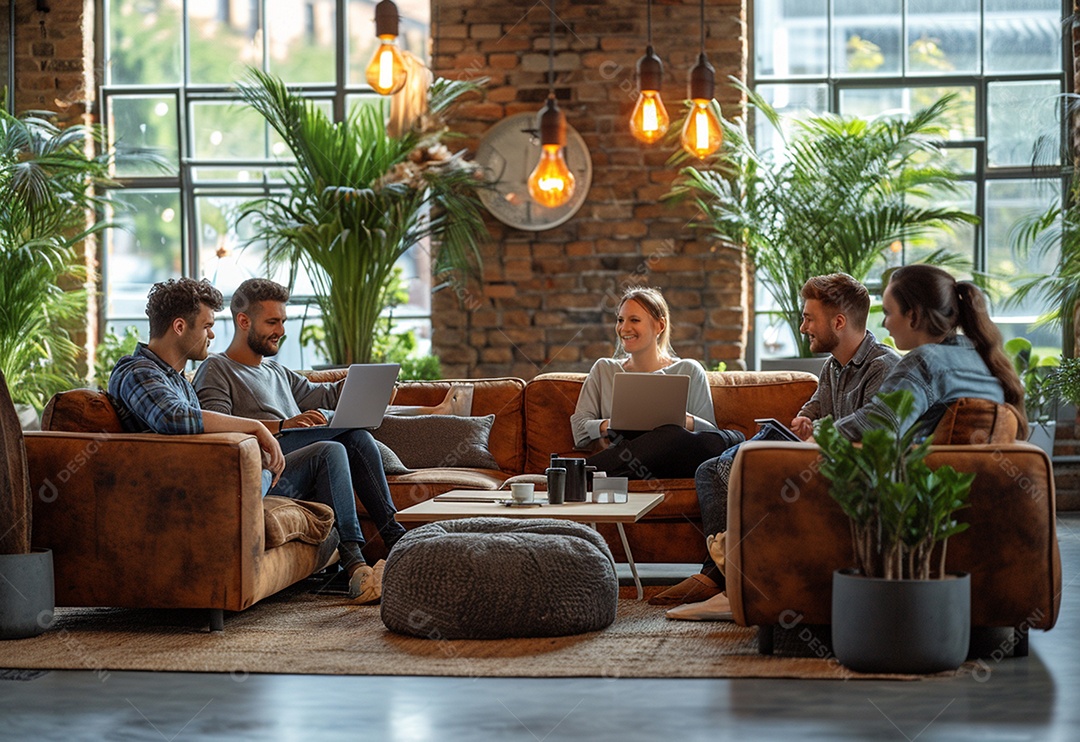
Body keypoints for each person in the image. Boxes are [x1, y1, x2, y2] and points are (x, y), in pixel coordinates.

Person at [666, 264, 1026, 620]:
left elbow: (881, 425)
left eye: (889, 313)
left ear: (913, 316)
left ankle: (741, 583)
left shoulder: (924, 363)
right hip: (937, 497)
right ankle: (735, 576)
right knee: (749, 460)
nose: (885, 324)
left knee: (760, 468)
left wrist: (817, 440)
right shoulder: (973, 357)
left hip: (894, 495)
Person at [109, 277, 384, 604]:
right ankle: (357, 566)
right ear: (180, 327)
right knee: (328, 451)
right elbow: (174, 419)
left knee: (342, 443)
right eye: (207, 326)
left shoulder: (178, 381)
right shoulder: (136, 371)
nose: (212, 335)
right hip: (192, 489)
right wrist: (257, 427)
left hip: (225, 476)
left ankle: (368, 557)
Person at [658, 273, 900, 614]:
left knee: (738, 465)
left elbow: (876, 422)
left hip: (844, 470)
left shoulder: (882, 366)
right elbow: (816, 404)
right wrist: (804, 419)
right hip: (817, 457)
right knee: (711, 469)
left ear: (839, 322)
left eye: (809, 318)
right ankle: (725, 577)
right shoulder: (834, 366)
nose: (803, 327)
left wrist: (821, 434)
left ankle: (730, 583)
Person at [191, 279, 410, 576]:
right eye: (272, 322)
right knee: (329, 450)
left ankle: (395, 537)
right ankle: (354, 561)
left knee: (357, 436)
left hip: (301, 462)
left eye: (282, 321)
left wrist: (370, 387)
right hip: (267, 468)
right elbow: (219, 429)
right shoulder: (216, 369)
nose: (281, 331)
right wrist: (282, 425)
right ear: (243, 321)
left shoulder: (277, 371)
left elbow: (326, 396)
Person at [570, 286, 743, 480]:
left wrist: (683, 420)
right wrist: (608, 425)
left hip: (674, 461)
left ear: (660, 326)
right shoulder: (604, 369)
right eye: (620, 320)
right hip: (629, 463)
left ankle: (578, 472)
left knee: (672, 434)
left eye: (634, 320)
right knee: (654, 439)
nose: (624, 328)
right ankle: (591, 470)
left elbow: (711, 435)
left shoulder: (689, 370)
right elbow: (579, 429)